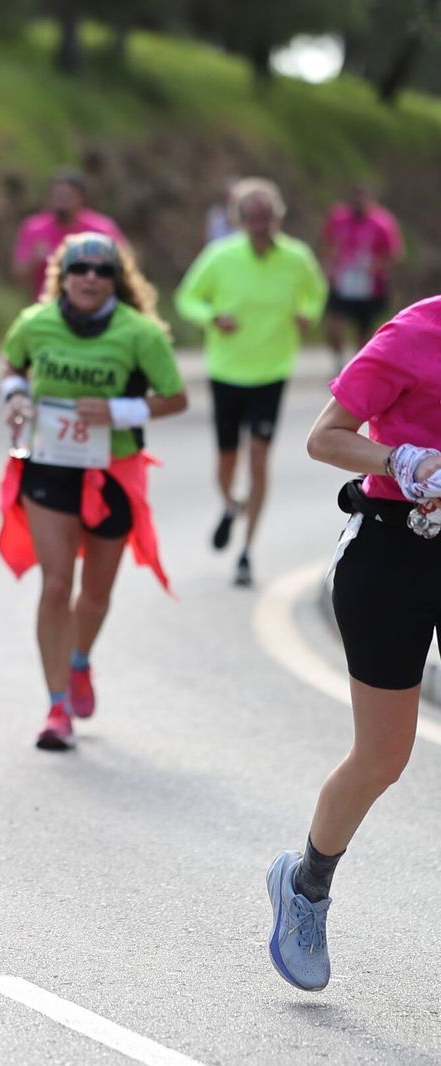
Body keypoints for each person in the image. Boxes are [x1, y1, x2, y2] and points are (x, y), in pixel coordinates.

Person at [266, 296, 441, 993]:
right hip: (392, 553)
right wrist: (402, 459)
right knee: (382, 757)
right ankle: (306, 889)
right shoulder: (416, 332)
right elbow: (325, 436)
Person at [0, 233, 188, 751]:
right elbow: (12, 367)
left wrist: (119, 412)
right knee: (57, 584)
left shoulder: (139, 332)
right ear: (64, 274)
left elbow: (176, 397)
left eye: (101, 271)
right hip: (51, 464)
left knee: (96, 593)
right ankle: (56, 705)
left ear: (115, 280)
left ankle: (79, 659)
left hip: (113, 470)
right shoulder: (35, 323)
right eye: (79, 268)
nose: (89, 277)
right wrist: (15, 397)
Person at [175, 177, 328, 588]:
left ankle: (246, 552)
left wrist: (307, 314)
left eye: (266, 215)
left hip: (272, 371)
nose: (260, 223)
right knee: (226, 462)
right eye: (251, 217)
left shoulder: (297, 257)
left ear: (277, 216)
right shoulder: (220, 256)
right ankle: (229, 503)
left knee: (259, 459)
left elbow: (316, 291)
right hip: (227, 371)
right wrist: (211, 318)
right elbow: (187, 298)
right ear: (238, 220)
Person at [321, 183, 403, 371]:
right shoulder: (339, 218)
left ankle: (358, 367)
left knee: (363, 333)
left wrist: (378, 266)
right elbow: (327, 244)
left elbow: (394, 254)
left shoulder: (381, 222)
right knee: (333, 326)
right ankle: (338, 362)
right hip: (343, 282)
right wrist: (328, 269)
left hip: (369, 286)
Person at [11, 170, 126, 301]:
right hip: (47, 306)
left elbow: (126, 267)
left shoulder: (101, 228)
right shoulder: (34, 228)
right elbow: (17, 278)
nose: (61, 200)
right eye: (56, 195)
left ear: (81, 197)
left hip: (94, 307)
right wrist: (34, 261)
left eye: (66, 195)